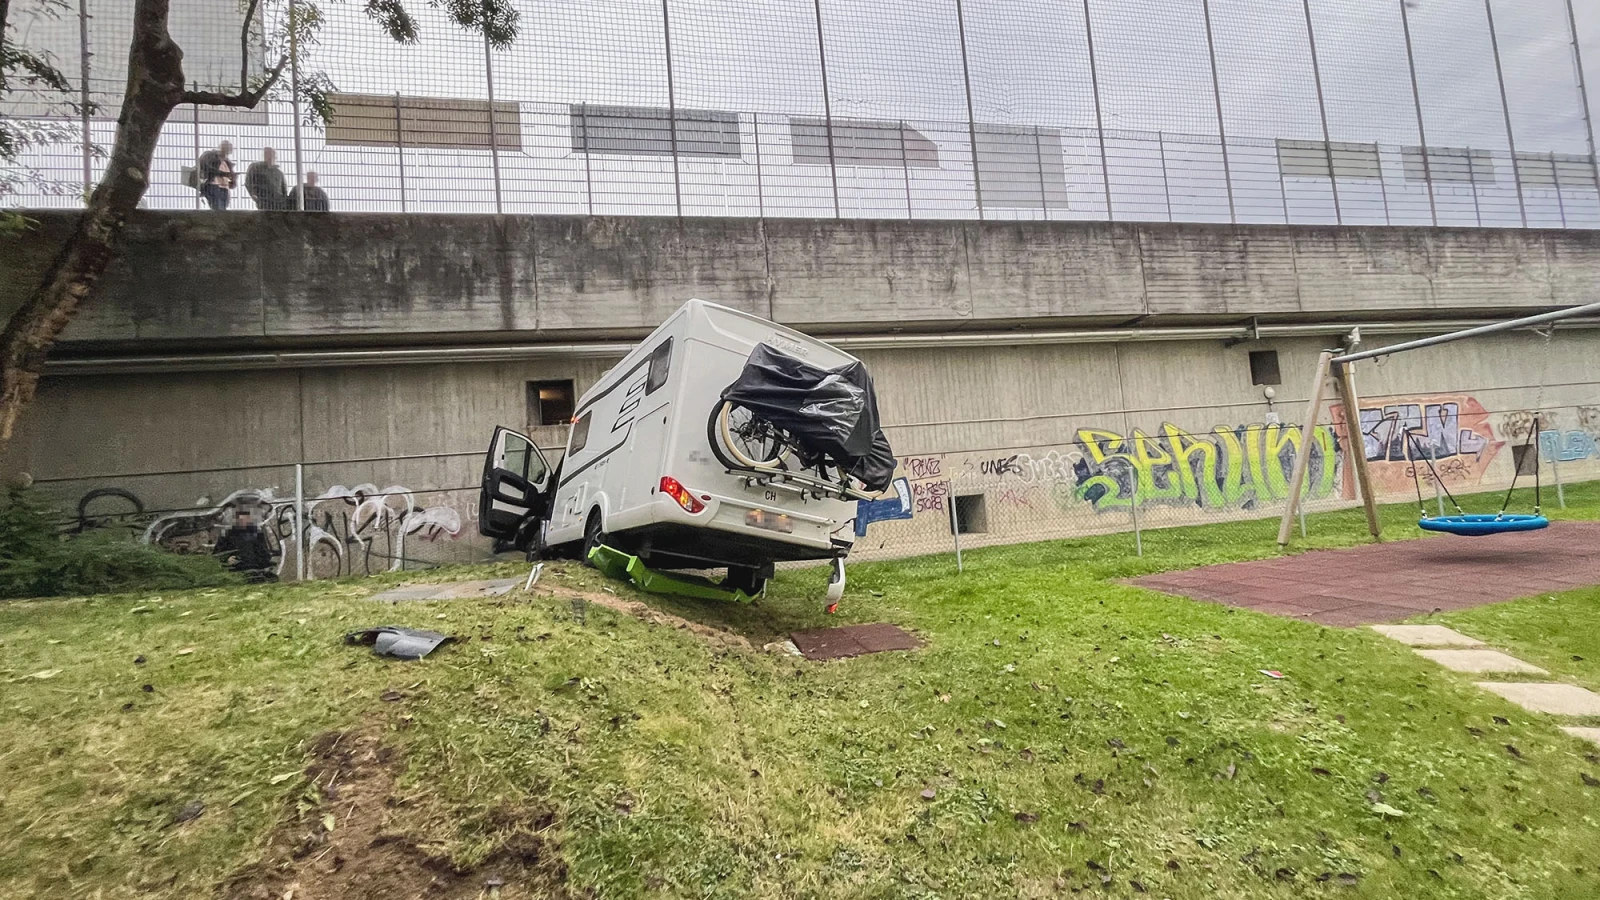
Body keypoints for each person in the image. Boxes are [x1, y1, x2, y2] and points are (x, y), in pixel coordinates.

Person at [213, 508, 277, 582]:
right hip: (236, 575)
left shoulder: (257, 535)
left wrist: (259, 565)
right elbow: (217, 554)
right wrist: (227, 559)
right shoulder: (227, 536)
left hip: (255, 574)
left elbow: (265, 555)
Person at [195, 140, 236, 211]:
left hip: (224, 188)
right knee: (218, 209)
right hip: (213, 186)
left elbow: (230, 176)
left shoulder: (226, 161)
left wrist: (232, 180)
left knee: (222, 210)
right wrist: (224, 174)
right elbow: (207, 168)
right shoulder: (211, 156)